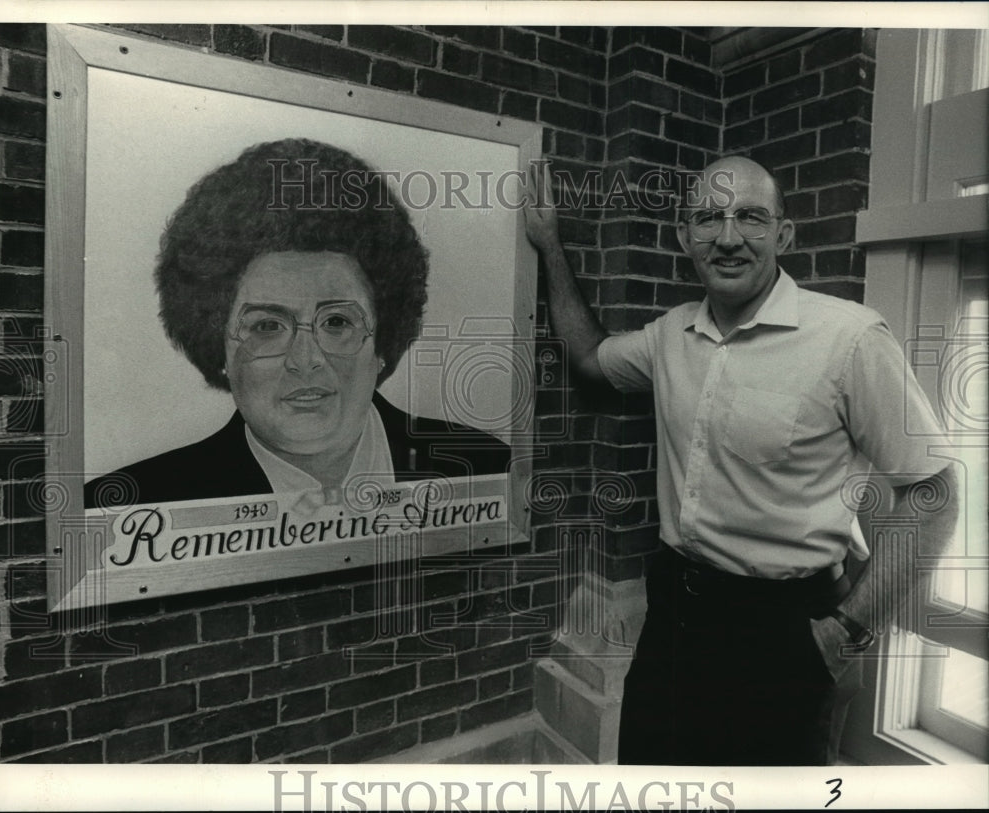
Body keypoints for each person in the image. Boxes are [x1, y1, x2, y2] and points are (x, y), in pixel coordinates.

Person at [523, 155, 958, 766]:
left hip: (786, 631)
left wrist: (848, 633)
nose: (728, 238)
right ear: (685, 238)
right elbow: (592, 358)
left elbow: (935, 493)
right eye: (708, 218)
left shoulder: (850, 338)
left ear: (783, 233)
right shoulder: (670, 336)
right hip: (674, 616)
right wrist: (550, 247)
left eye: (750, 217)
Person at [85, 139, 509, 510]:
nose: (306, 362)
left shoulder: (482, 469)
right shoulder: (138, 505)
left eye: (337, 321)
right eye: (267, 326)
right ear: (219, 350)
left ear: (383, 340)